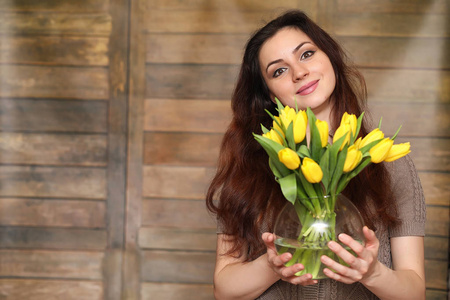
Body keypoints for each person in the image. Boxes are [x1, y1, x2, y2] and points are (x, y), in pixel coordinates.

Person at [206, 10, 426, 300]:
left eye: (306, 54)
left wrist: (374, 273)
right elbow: (224, 289)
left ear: (331, 58)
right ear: (271, 95)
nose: (299, 72)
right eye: (279, 70)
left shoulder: (387, 163)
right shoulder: (248, 167)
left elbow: (415, 292)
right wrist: (273, 264)